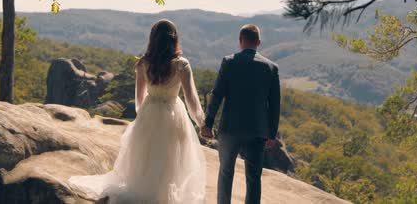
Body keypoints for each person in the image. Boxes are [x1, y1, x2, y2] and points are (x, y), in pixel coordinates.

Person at [69, 19, 206, 203]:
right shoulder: (182, 65)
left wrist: (143, 118)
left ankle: (146, 192)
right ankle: (164, 196)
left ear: (153, 39)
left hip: (150, 112)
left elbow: (139, 98)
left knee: (147, 157)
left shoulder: (143, 63)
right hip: (173, 112)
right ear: (174, 39)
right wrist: (201, 123)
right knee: (171, 158)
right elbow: (191, 100)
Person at [201, 24, 281, 204]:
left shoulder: (229, 62)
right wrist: (272, 133)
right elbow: (275, 104)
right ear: (258, 42)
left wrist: (208, 122)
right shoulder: (271, 68)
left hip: (230, 128)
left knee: (226, 172)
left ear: (240, 41)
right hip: (257, 130)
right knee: (253, 178)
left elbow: (217, 94)